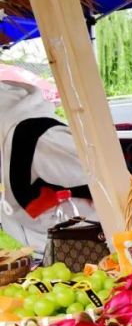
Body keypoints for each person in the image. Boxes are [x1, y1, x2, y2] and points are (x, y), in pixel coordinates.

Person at [0, 80, 97, 257]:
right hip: (42, 252)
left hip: (89, 249)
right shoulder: (9, 142)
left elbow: (110, 187)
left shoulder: (43, 140)